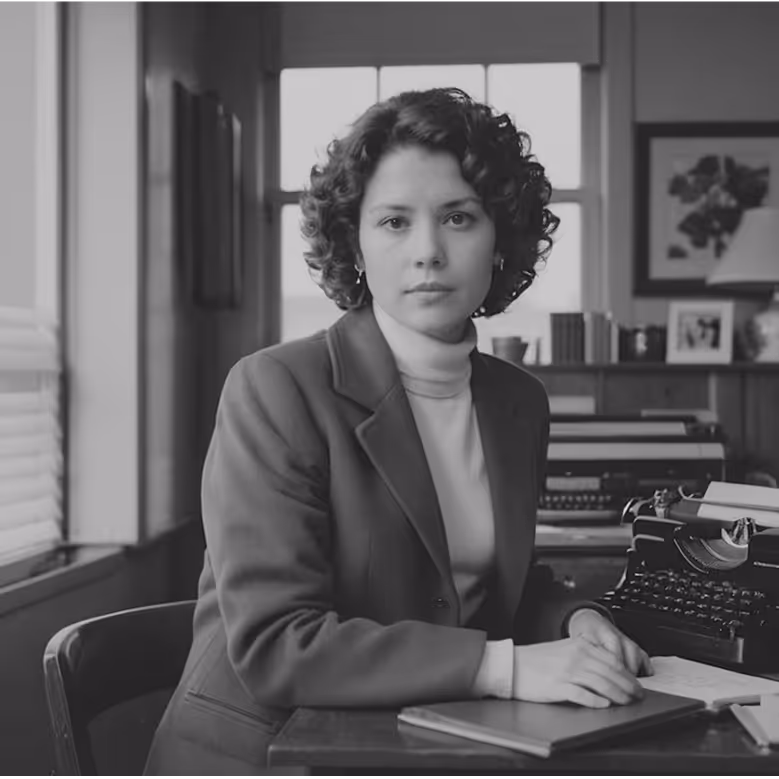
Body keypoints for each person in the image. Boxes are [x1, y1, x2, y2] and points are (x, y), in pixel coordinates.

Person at [144, 87, 652, 776]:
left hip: (425, 740)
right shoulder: (275, 389)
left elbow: (484, 583)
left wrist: (574, 620)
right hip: (267, 753)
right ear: (353, 244)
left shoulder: (518, 401)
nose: (428, 252)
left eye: (458, 217)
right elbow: (277, 644)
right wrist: (506, 667)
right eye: (393, 222)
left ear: (500, 240)